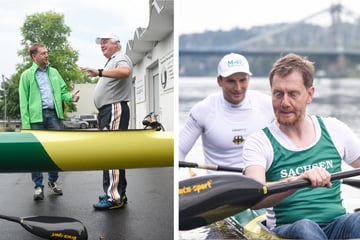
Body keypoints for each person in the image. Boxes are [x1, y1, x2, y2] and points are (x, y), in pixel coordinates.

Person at [243, 53, 360, 239]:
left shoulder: (335, 129)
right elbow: (254, 198)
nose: (284, 103)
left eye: (293, 94)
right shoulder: (259, 141)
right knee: (305, 227)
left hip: (337, 225)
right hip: (288, 229)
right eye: (278, 93)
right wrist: (295, 182)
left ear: (310, 94)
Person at [179, 53, 275, 175]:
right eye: (231, 81)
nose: (238, 87)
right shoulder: (203, 110)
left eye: (242, 80)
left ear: (248, 79)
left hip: (260, 184)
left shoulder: (268, 104)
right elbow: (178, 151)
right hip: (218, 187)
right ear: (219, 81)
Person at [19, 43, 80, 201]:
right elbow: (23, 102)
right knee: (35, 154)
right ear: (34, 56)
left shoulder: (54, 72)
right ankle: (38, 186)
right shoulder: (26, 75)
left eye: (47, 52)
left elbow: (62, 93)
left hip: (53, 115)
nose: (47, 55)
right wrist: (26, 126)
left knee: (56, 151)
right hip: (35, 119)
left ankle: (52, 182)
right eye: (43, 53)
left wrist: (71, 97)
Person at [81, 32, 132, 210]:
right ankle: (115, 192)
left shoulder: (121, 57)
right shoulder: (112, 60)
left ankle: (114, 197)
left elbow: (126, 72)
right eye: (100, 43)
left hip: (114, 108)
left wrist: (99, 72)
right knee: (109, 153)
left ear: (116, 44)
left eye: (105, 42)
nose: (101, 45)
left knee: (112, 153)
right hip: (107, 110)